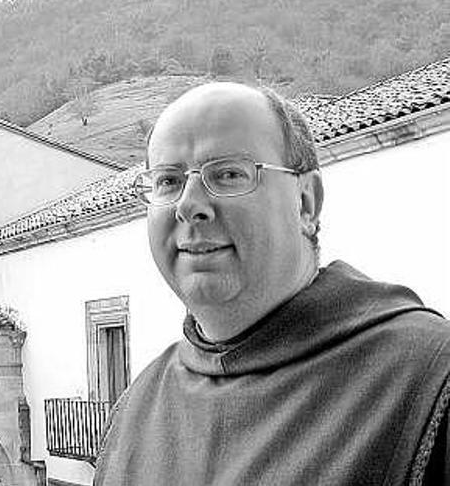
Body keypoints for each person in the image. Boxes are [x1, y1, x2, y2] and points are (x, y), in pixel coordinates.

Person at [93, 82, 450, 485]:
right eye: (168, 181)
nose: (189, 205)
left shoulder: (428, 379)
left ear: (305, 203)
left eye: (228, 174)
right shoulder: (136, 408)